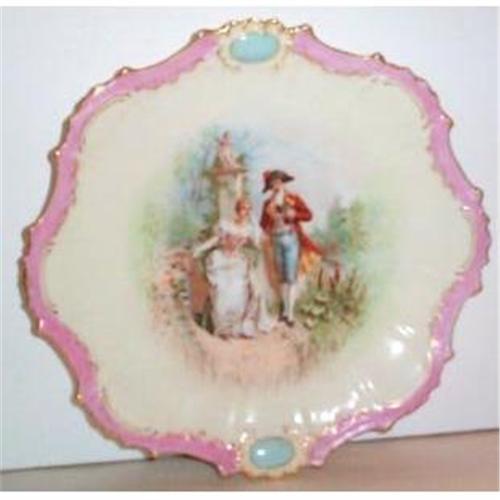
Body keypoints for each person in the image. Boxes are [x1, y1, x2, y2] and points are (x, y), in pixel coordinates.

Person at [193, 197, 273, 338]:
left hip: (238, 261)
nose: (245, 212)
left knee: (244, 287)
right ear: (237, 211)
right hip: (222, 260)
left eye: (248, 210)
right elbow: (215, 240)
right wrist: (200, 249)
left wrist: (255, 227)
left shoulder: (249, 229)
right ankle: (222, 325)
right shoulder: (226, 225)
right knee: (222, 286)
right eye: (243, 209)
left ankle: (243, 324)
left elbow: (258, 244)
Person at [260, 169, 322, 327]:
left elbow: (308, 215)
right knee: (281, 277)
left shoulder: (293, 198)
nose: (276, 184)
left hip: (291, 238)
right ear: (270, 185)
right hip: (276, 239)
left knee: (291, 276)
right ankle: (284, 312)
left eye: (278, 181)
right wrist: (268, 216)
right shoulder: (267, 203)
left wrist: (295, 214)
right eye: (273, 182)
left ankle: (291, 314)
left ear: (282, 182)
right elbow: (263, 225)